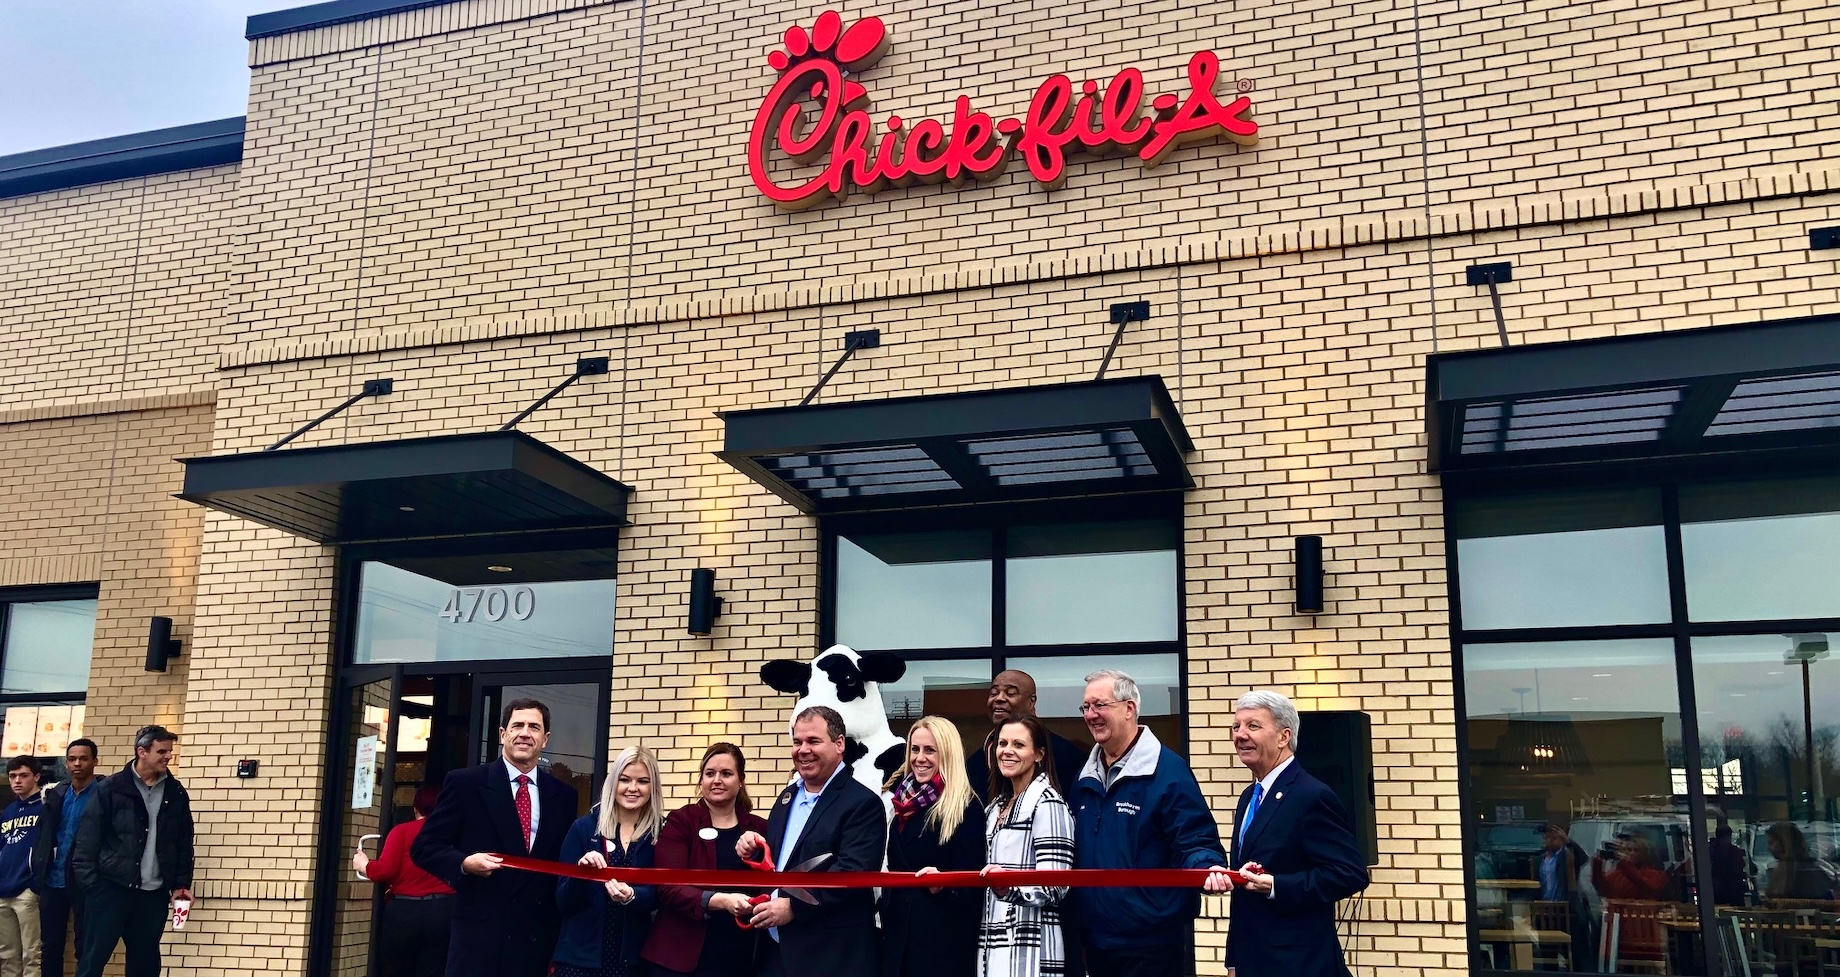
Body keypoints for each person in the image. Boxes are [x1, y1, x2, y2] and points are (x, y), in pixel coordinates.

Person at [1070, 669, 1226, 977]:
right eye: (1086, 707)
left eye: (1100, 705)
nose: (1091, 715)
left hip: (1151, 944)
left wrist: (1208, 866)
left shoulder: (1168, 772)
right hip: (1096, 942)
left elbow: (1194, 839)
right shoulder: (1083, 777)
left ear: (1129, 708)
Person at [412, 698, 579, 977]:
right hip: (480, 940)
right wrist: (464, 863)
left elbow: (561, 861)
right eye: (518, 725)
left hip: (536, 940)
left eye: (534, 727)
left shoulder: (564, 795)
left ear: (545, 739)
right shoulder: (466, 783)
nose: (525, 732)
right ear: (503, 734)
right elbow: (424, 846)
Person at [1206, 690, 1368, 977]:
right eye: (1236, 726)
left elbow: (1349, 873)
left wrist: (1276, 885)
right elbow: (1244, 897)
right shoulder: (1248, 797)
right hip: (1252, 960)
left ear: (1284, 736)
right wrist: (1234, 961)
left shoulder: (1311, 796)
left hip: (1299, 963)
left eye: (1253, 726)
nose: (1240, 735)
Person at [734, 705, 884, 977]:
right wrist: (755, 851)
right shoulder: (786, 798)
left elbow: (853, 874)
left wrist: (794, 907)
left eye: (813, 741)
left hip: (830, 957)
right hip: (776, 953)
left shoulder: (863, 803)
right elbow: (781, 862)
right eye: (797, 741)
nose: (803, 750)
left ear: (839, 744)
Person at [70, 725, 195, 977]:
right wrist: (92, 885)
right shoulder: (110, 788)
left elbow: (183, 841)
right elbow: (86, 840)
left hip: (153, 894)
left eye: (169, 751)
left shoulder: (176, 791)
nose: (168, 756)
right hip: (110, 889)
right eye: (161, 751)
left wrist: (181, 885)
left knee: (145, 965)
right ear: (142, 752)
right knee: (92, 959)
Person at [641, 743, 768, 977]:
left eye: (726, 774)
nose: (717, 780)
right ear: (701, 780)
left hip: (738, 956)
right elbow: (668, 887)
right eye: (710, 774)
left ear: (741, 780)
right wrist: (720, 901)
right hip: (679, 959)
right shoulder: (681, 821)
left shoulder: (760, 828)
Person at [882, 717, 983, 977]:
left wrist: (943, 885)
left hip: (941, 947)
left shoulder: (964, 808)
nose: (920, 758)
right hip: (898, 942)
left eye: (930, 750)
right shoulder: (902, 804)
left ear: (946, 754)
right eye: (915, 749)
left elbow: (972, 886)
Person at [975, 716, 1074, 977]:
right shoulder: (995, 806)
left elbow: (1056, 884)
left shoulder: (1048, 804)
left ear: (1039, 754)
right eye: (1002, 743)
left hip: (1031, 946)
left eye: (1019, 744)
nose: (1007, 751)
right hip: (991, 944)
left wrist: (1009, 887)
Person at [553, 746, 660, 977]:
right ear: (613, 783)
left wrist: (632, 896)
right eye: (624, 780)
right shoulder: (583, 828)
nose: (632, 788)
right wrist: (582, 875)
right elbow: (562, 900)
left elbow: (660, 893)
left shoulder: (659, 834)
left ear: (653, 787)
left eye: (642, 781)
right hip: (578, 963)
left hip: (632, 964)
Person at [353, 785, 454, 977]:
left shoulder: (401, 831)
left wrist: (364, 865)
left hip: (404, 911)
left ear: (415, 808)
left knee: (397, 969)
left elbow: (385, 870)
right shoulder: (453, 833)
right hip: (444, 910)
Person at [965, 671, 1087, 806]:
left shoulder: (1066, 756)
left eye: (1010, 693)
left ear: (1031, 702)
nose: (999, 698)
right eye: (993, 693)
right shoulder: (974, 763)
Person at [33, 740, 98, 977]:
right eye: (72, 759)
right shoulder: (56, 794)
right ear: (67, 763)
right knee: (50, 947)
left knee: (85, 947)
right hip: (53, 879)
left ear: (94, 761)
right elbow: (45, 835)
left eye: (83, 758)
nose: (77, 764)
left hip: (85, 881)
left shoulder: (105, 794)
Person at [0, 756, 45, 977]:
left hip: (27, 890)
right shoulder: (8, 811)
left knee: (31, 953)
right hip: (3, 889)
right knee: (7, 954)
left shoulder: (46, 806)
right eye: (12, 776)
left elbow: (51, 848)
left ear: (36, 777)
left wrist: (35, 884)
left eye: (23, 775)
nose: (17, 780)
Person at [1530, 823, 1592, 969]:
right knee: (1547, 953)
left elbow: (1583, 858)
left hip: (1566, 910)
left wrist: (1568, 841)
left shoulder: (1567, 856)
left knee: (1573, 953)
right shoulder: (1538, 859)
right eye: (1548, 838)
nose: (1551, 841)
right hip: (1545, 910)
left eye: (1555, 838)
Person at [1762, 822, 1835, 901]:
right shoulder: (1812, 869)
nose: (1768, 848)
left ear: (1785, 843)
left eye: (1771, 843)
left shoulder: (1805, 871)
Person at [1590, 835, 1667, 901]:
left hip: (1643, 915)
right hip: (1619, 915)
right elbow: (1602, 887)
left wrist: (1625, 864)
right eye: (1629, 850)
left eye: (1636, 850)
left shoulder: (1656, 874)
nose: (1632, 853)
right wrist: (1597, 864)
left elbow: (1645, 885)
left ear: (1645, 853)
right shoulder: (1617, 874)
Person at [1707, 824, 1748, 907]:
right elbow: (1739, 867)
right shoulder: (1734, 851)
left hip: (1715, 891)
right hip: (1733, 891)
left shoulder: (1710, 851)